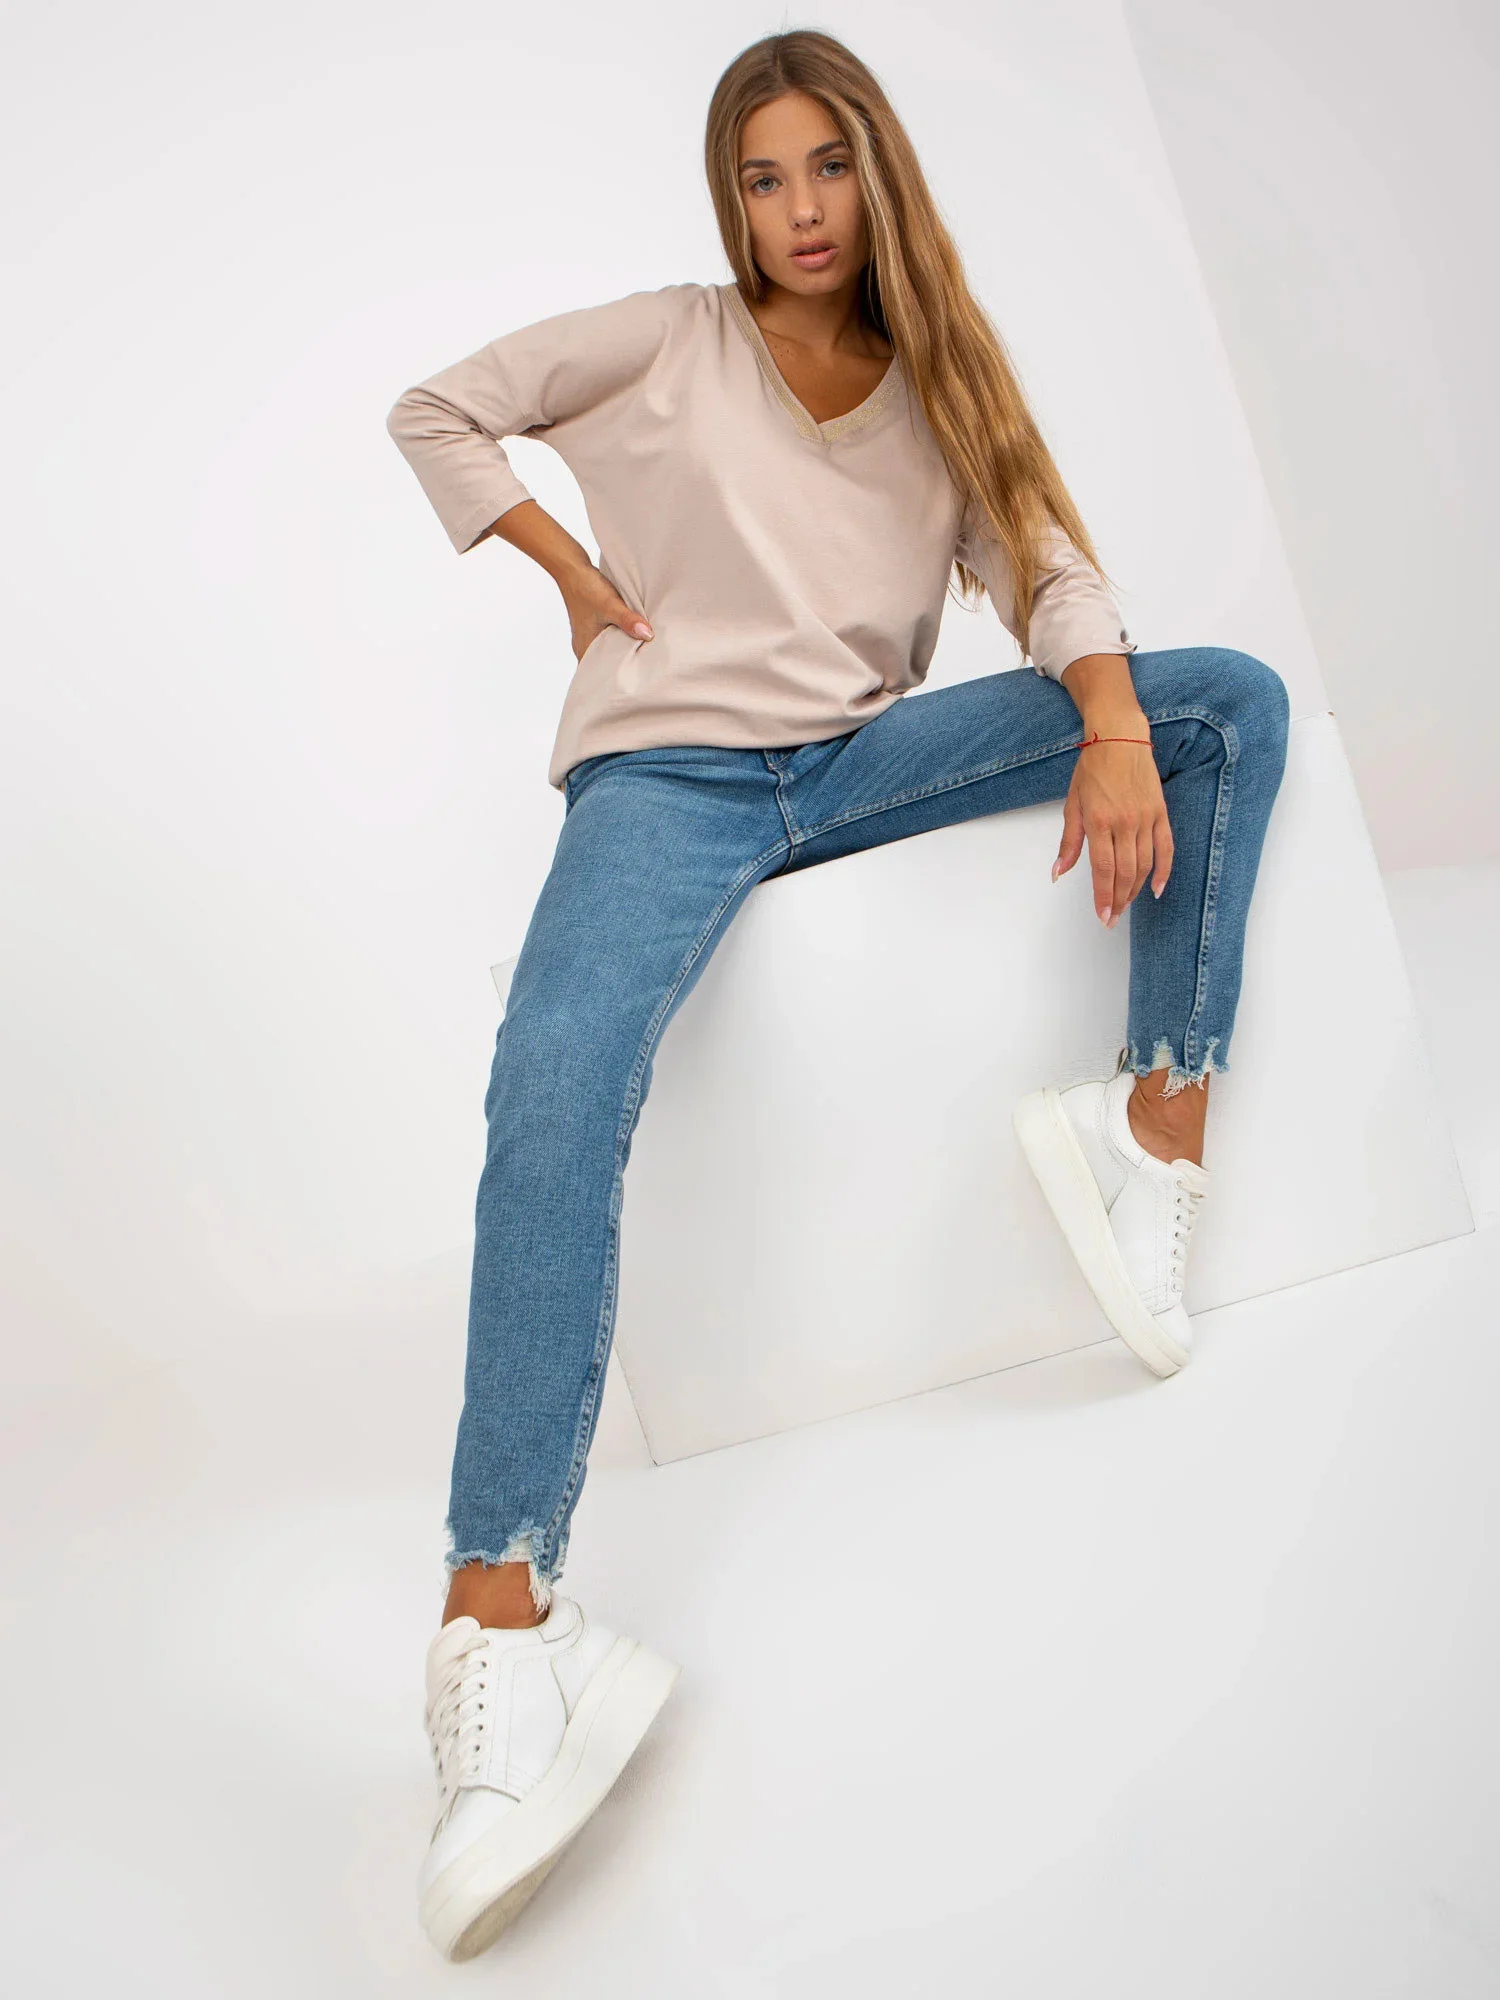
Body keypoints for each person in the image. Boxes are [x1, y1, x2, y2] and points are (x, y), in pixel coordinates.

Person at [385, 29, 1289, 1963]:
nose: (798, 210)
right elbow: (440, 408)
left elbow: (1049, 566)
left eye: (828, 168)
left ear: (879, 174)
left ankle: (1153, 1129)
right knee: (554, 1071)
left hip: (859, 762)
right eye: (762, 176)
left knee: (1222, 704)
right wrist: (564, 568)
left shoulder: (944, 377)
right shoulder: (667, 339)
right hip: (669, 779)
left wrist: (1108, 715)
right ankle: (505, 1623)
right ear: (729, 198)